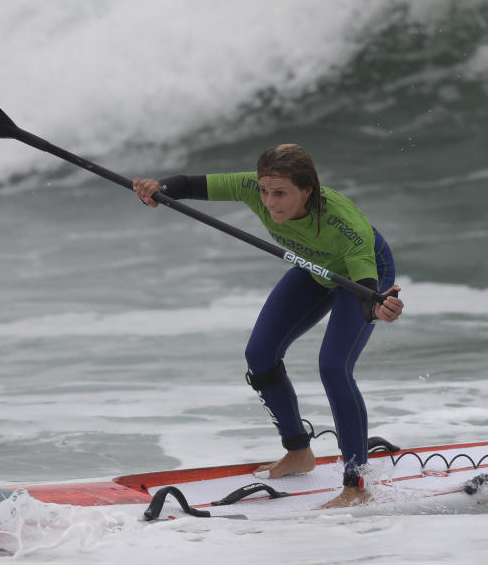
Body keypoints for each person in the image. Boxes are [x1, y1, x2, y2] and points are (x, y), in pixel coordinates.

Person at [133, 144, 403, 508]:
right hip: (313, 267)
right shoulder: (253, 188)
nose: (270, 202)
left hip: (363, 276)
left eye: (280, 194)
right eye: (264, 191)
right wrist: (157, 190)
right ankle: (298, 451)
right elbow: (188, 184)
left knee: (334, 367)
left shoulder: (344, 224)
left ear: (308, 190)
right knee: (259, 354)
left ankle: (356, 485)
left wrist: (378, 308)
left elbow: (366, 295)